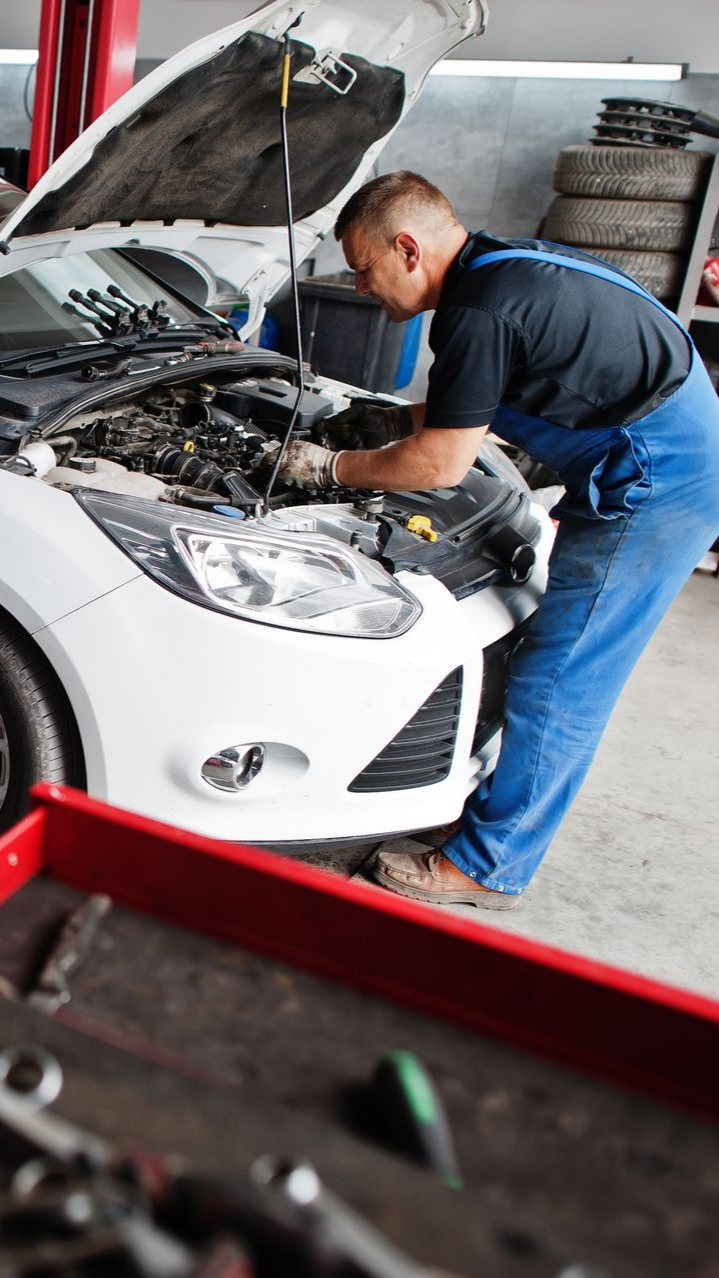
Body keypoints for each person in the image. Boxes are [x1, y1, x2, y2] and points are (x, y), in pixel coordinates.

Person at [278, 170, 719, 909]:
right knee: (548, 656)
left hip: (659, 474)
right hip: (666, 436)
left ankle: (488, 866)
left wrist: (331, 468)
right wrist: (390, 421)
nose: (360, 289)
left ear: (408, 249)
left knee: (561, 676)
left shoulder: (476, 313)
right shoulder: (503, 265)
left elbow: (442, 464)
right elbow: (484, 397)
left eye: (362, 270)